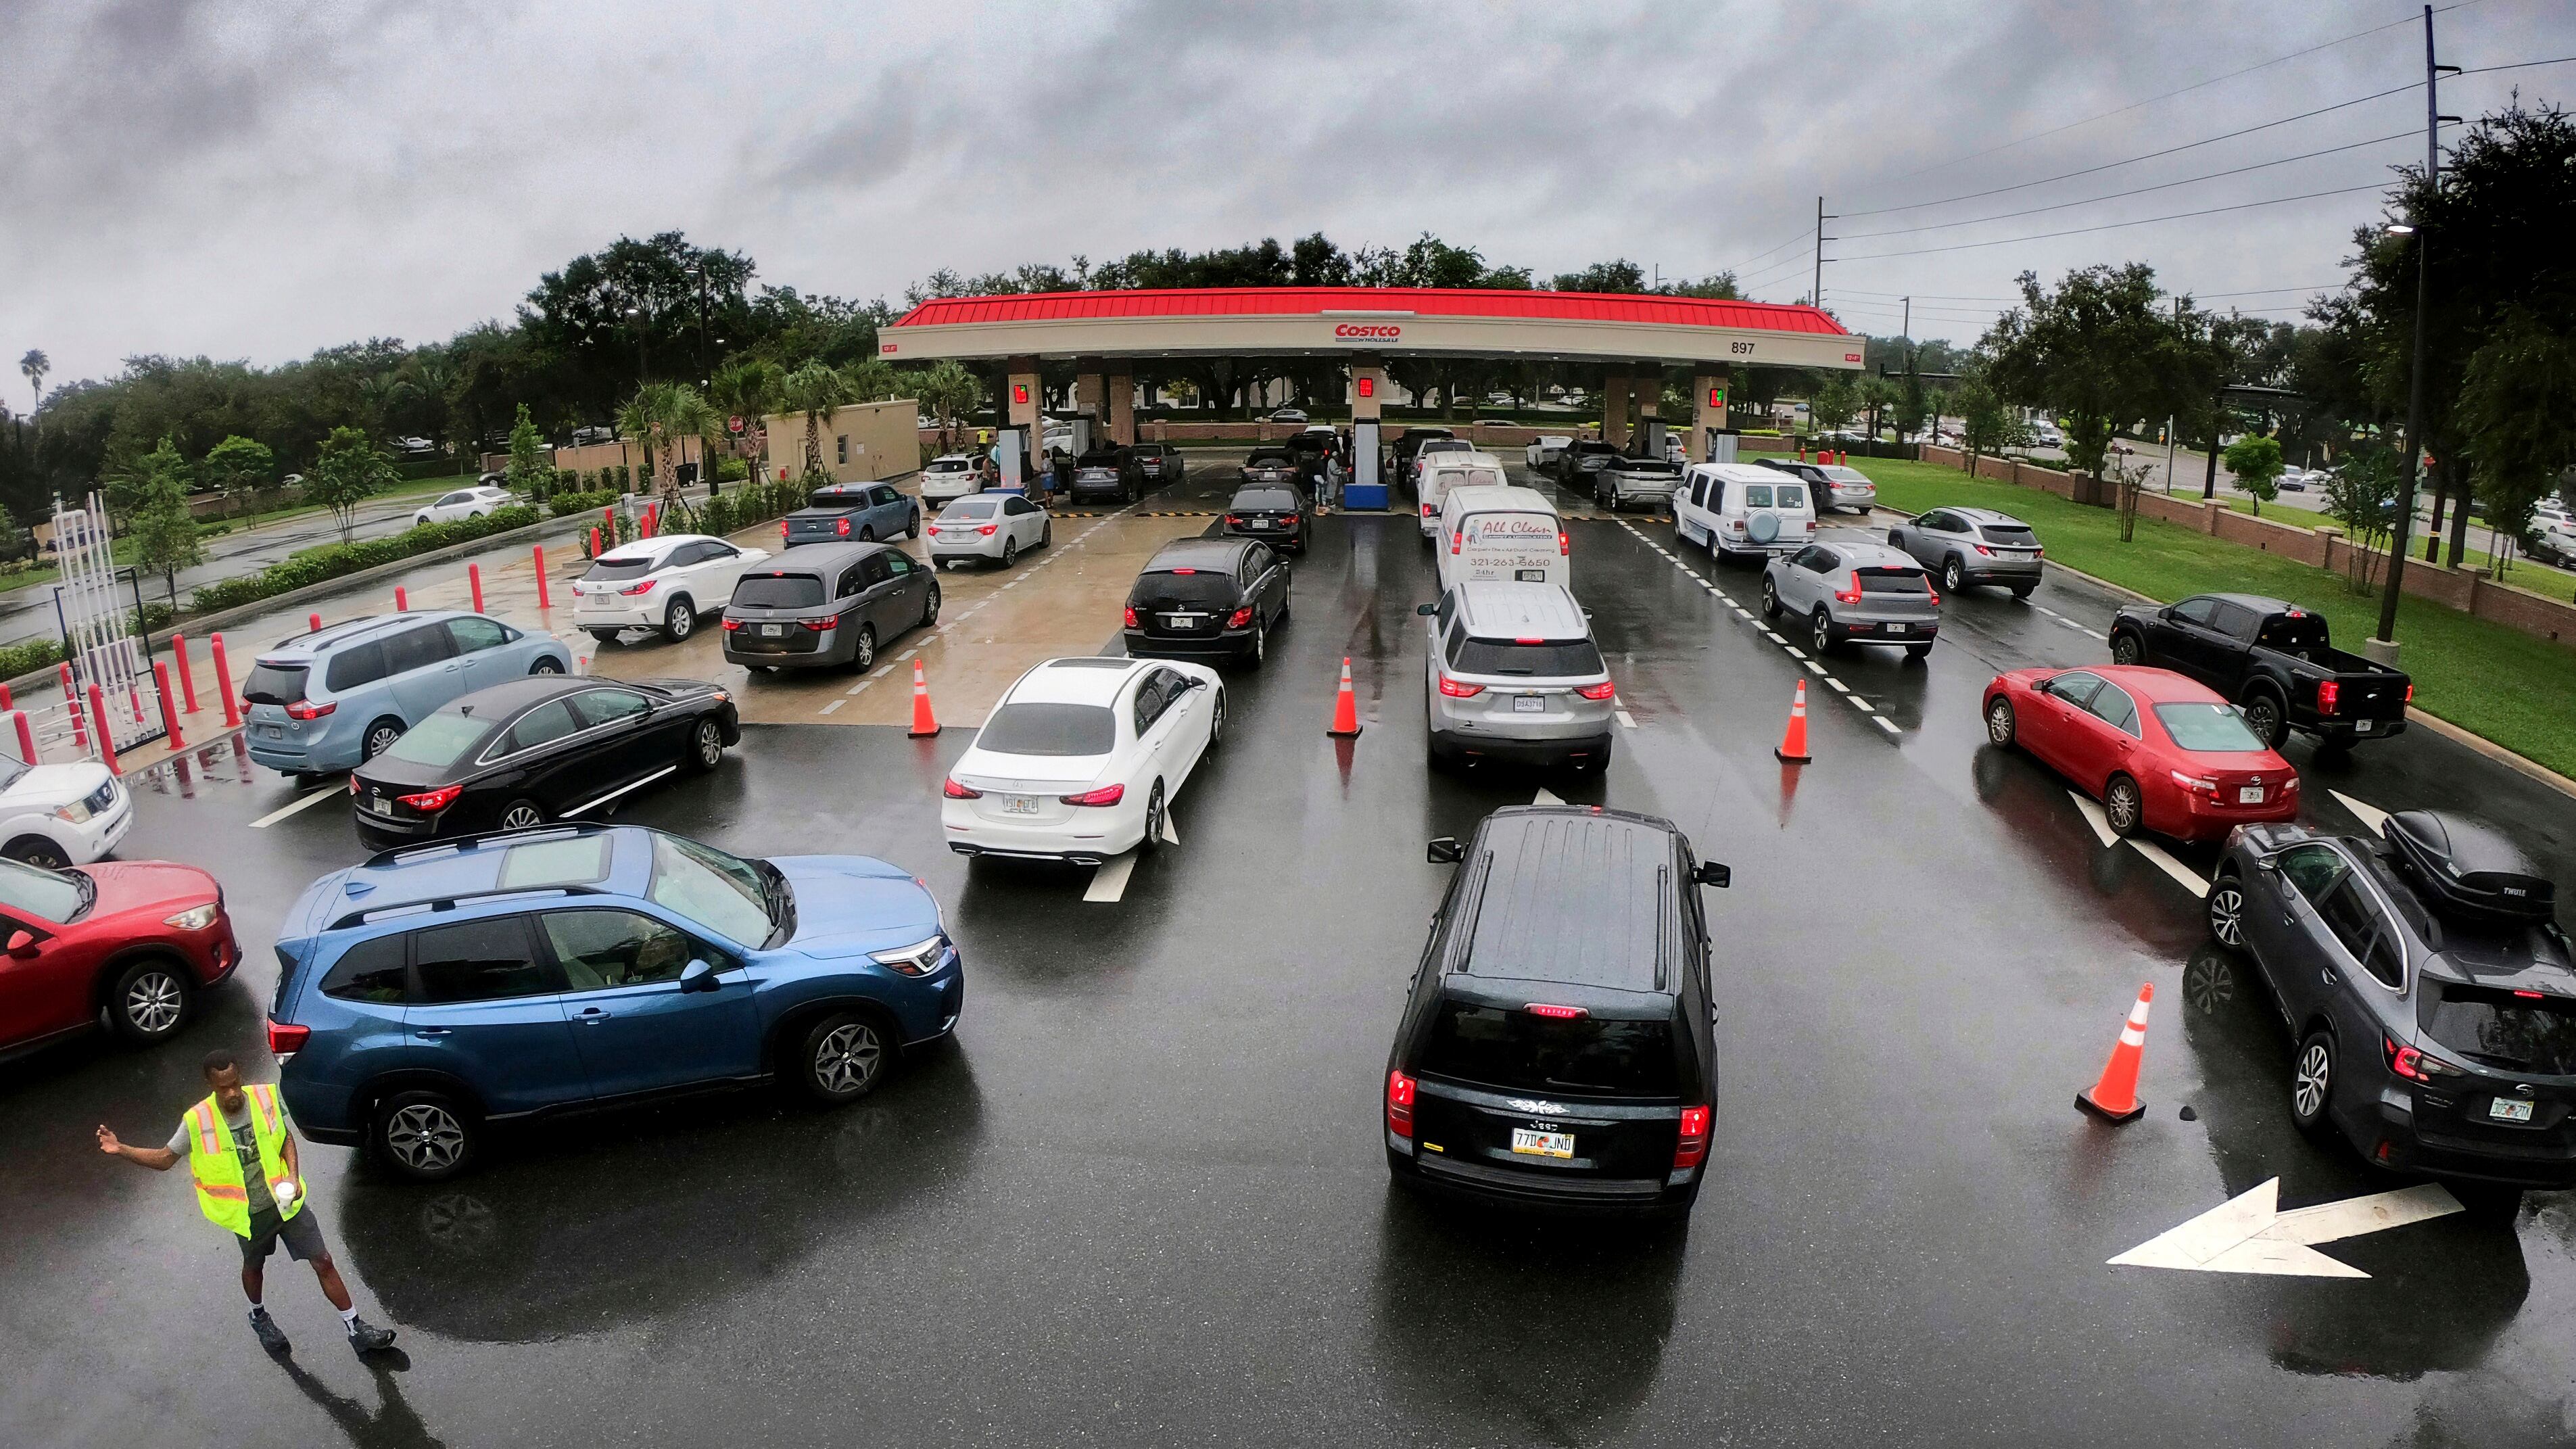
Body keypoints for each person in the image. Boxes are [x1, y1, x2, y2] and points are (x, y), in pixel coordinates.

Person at [99, 1050, 397, 1357]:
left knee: (323, 1261)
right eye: (222, 1087)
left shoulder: (264, 1097)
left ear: (240, 1075)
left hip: (286, 1204)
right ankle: (258, 1315)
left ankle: (355, 1328)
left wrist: (293, 1177)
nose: (231, 1093)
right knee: (255, 1267)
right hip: (248, 1215)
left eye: (234, 1083)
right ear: (209, 1084)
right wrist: (121, 1149)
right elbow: (164, 1159)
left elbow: (284, 1139)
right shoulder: (197, 1121)